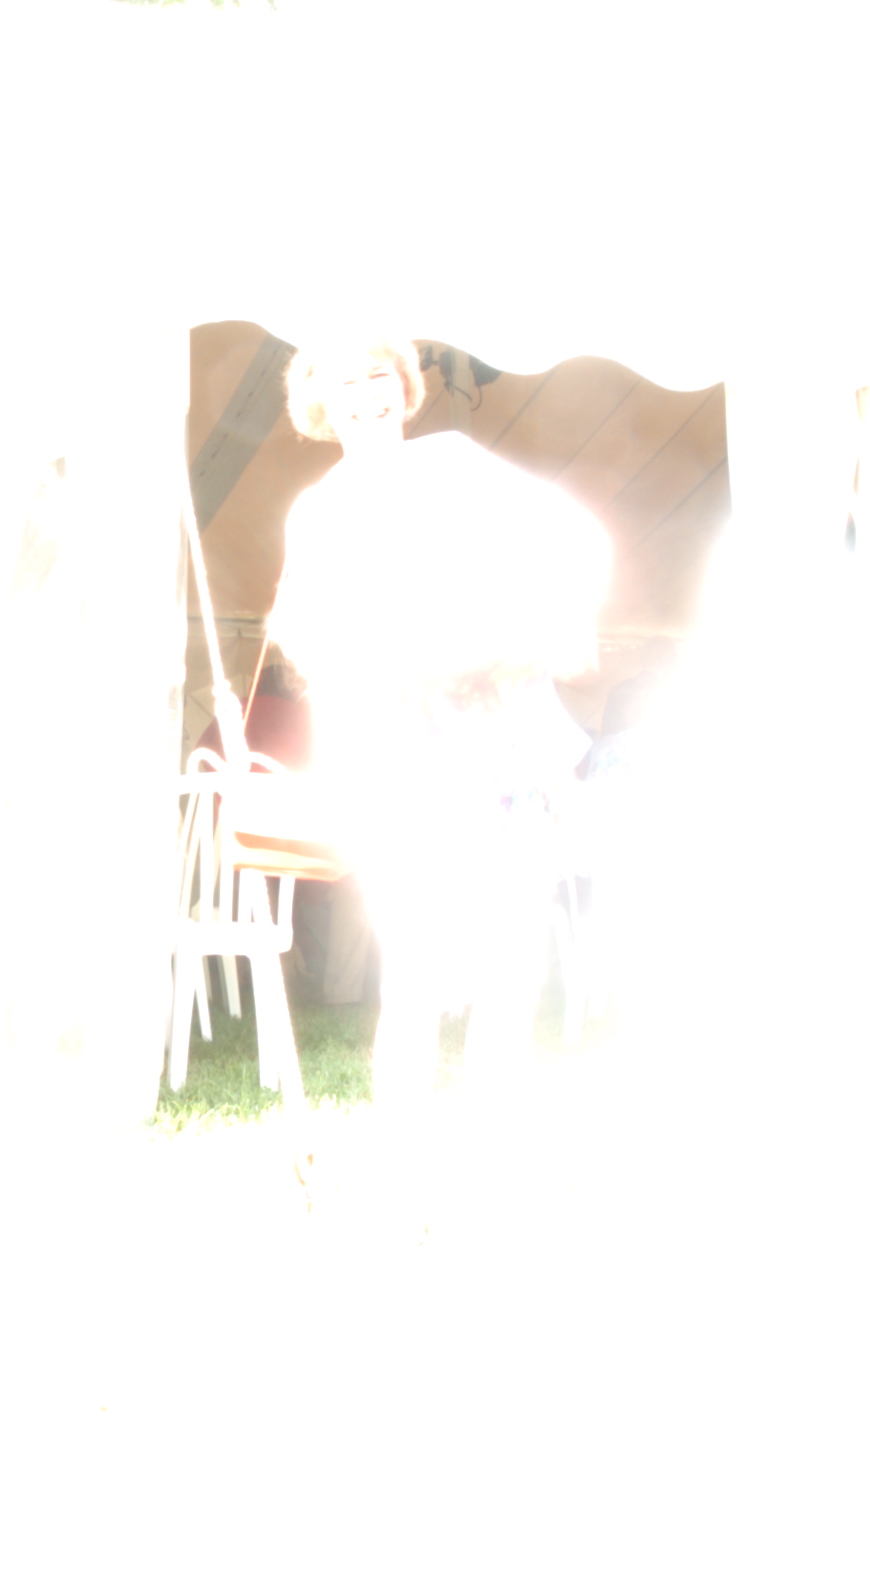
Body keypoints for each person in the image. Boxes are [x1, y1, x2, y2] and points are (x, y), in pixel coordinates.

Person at [264, 336, 612, 1102]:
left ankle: (491, 1144)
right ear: (321, 402)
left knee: (511, 965)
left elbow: (568, 538)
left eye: (380, 375)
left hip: (503, 747)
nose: (368, 394)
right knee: (414, 972)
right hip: (402, 763)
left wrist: (548, 627)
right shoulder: (318, 512)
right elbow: (307, 634)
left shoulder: (454, 462)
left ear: (404, 385)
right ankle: (402, 1152)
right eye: (347, 382)